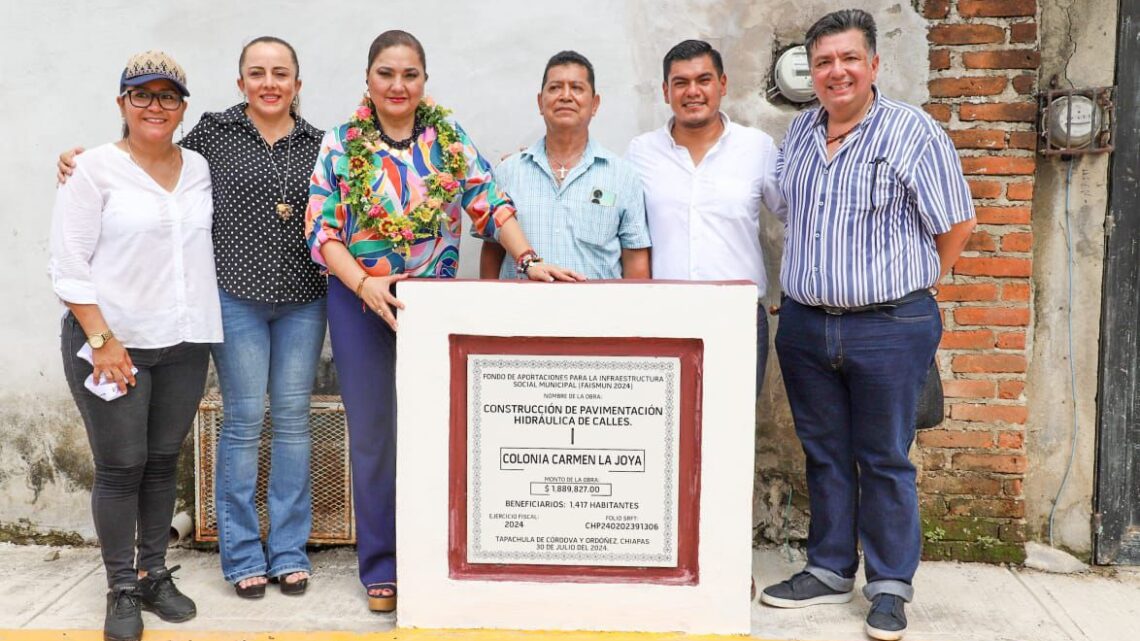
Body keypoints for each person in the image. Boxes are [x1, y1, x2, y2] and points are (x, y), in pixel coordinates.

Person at [306, 29, 583, 614]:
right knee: (376, 439)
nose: (398, 85)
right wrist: (365, 282)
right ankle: (382, 566)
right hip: (360, 302)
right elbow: (322, 231)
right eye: (386, 73)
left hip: (432, 306)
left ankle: (439, 557)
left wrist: (528, 259)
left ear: (424, 81)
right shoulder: (340, 142)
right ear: (369, 79)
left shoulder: (448, 139)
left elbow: (489, 201)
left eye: (409, 74)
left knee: (441, 433)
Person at [58, 37, 326, 600]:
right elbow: (142, 152)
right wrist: (73, 161)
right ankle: (242, 554)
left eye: (281, 73)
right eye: (257, 72)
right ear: (240, 83)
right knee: (244, 419)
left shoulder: (322, 146)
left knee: (296, 422)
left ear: (298, 85)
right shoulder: (212, 135)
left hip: (301, 298)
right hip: (234, 299)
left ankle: (289, 551)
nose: (269, 82)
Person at [759, 10, 976, 641]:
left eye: (848, 59)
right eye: (823, 62)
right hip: (804, 325)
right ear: (812, 72)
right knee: (824, 453)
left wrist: (911, 290)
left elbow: (955, 223)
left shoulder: (912, 132)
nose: (836, 72)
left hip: (888, 324)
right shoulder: (799, 133)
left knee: (883, 458)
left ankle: (888, 586)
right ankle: (828, 568)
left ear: (873, 65)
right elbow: (792, 215)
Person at [49, 50, 221, 641]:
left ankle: (153, 573)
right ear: (122, 103)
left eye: (167, 96)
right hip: (112, 342)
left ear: (182, 107)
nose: (155, 106)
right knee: (121, 466)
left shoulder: (200, 166)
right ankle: (121, 587)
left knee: (161, 463)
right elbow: (68, 266)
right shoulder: (92, 170)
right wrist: (101, 339)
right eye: (141, 95)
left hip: (182, 341)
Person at [625, 39, 784, 393]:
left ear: (722, 85)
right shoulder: (640, 153)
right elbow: (623, 228)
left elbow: (796, 216)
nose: (692, 91)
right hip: (664, 317)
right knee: (666, 435)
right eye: (680, 82)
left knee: (733, 435)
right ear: (666, 91)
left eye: (704, 80)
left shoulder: (756, 148)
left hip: (738, 317)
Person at [479, 50, 650, 280]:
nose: (566, 96)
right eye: (555, 88)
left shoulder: (622, 176)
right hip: (519, 313)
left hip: (596, 313)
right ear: (541, 102)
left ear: (595, 104)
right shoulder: (508, 172)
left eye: (577, 88)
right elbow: (492, 251)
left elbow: (636, 261)